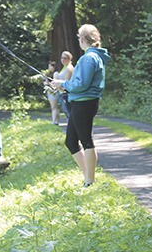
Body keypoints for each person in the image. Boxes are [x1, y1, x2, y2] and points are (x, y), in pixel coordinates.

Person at [51, 24, 110, 187]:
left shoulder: (89, 58)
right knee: (70, 141)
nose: (78, 40)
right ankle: (87, 176)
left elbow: (81, 84)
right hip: (81, 102)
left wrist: (62, 84)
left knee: (86, 140)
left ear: (83, 39)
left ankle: (90, 181)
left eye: (78, 37)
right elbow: (80, 82)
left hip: (84, 103)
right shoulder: (93, 56)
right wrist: (62, 84)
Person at [55, 51, 75, 123]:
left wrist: (57, 86)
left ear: (69, 59)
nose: (63, 59)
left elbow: (66, 83)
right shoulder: (65, 67)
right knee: (67, 113)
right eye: (62, 58)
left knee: (69, 113)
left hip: (66, 94)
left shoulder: (69, 68)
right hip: (63, 93)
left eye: (65, 58)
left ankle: (72, 131)